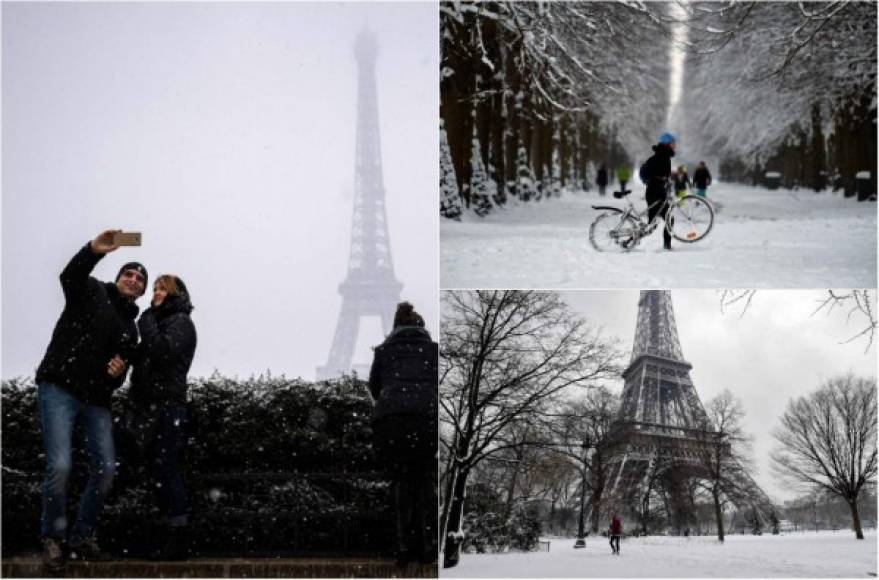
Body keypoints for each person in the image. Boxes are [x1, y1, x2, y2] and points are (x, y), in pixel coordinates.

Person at [36, 230, 146, 569]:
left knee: (105, 470)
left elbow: (120, 375)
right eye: (129, 273)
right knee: (60, 465)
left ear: (141, 289)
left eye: (141, 278)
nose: (134, 279)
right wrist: (92, 250)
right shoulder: (92, 290)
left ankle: (81, 537)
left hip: (97, 401)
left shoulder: (132, 330)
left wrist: (117, 373)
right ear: (118, 278)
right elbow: (69, 276)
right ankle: (53, 538)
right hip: (60, 388)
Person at [129, 275, 197, 560]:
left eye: (162, 288)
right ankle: (166, 533)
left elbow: (163, 352)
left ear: (176, 294)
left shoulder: (179, 321)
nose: (156, 292)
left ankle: (177, 536)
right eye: (154, 288)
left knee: (166, 468)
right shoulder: (161, 322)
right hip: (152, 405)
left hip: (167, 406)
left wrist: (146, 317)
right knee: (158, 470)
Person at [368, 302, 438, 566]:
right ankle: (428, 545)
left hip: (392, 421)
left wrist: (395, 403)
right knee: (424, 478)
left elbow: (375, 387)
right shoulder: (433, 352)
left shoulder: (384, 351)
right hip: (424, 419)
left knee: (401, 479)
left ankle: (403, 547)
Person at [642, 133, 677, 250]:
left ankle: (667, 245)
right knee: (653, 224)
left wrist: (667, 181)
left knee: (664, 220)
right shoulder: (661, 156)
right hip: (655, 192)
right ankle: (629, 239)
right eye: (673, 143)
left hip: (658, 191)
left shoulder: (663, 156)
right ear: (667, 144)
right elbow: (653, 174)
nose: (675, 145)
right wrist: (662, 180)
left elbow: (662, 174)